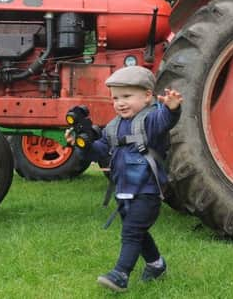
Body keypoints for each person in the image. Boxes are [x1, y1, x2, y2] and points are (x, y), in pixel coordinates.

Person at [65, 66, 183, 292]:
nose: (120, 103)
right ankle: (156, 265)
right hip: (124, 190)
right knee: (137, 231)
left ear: (147, 96)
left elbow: (165, 120)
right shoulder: (114, 126)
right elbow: (99, 151)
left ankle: (120, 274)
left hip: (147, 191)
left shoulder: (150, 120)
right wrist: (82, 145)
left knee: (130, 232)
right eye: (116, 98)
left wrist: (173, 108)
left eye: (127, 97)